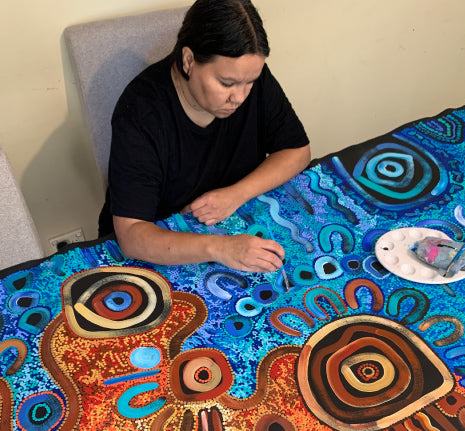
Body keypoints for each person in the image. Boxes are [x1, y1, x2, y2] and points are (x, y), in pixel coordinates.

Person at [99, 0, 311, 273]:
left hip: (232, 220)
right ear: (188, 61)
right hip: (160, 244)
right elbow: (132, 235)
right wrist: (220, 248)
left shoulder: (246, 78)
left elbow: (297, 151)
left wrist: (236, 194)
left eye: (250, 82)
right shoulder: (140, 113)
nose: (240, 97)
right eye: (226, 83)